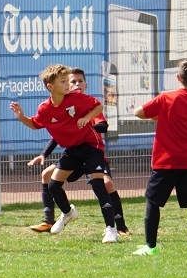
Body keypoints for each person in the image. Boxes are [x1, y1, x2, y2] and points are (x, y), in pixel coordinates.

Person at [11, 64, 120, 243]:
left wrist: (86, 118)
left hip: (92, 147)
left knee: (99, 184)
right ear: (50, 87)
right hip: (73, 151)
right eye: (63, 81)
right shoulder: (45, 109)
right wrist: (22, 117)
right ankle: (68, 213)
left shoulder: (77, 98)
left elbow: (98, 107)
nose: (68, 84)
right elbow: (35, 124)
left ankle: (111, 229)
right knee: (53, 185)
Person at [132, 58, 187, 256]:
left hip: (165, 162)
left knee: (153, 202)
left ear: (178, 78)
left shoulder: (165, 98)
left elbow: (138, 112)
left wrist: (158, 115)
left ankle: (150, 247)